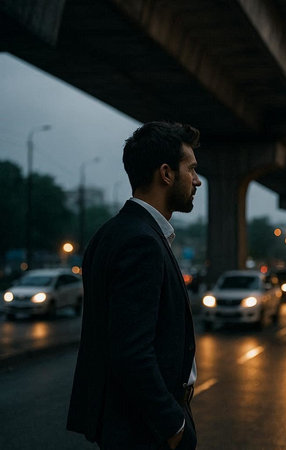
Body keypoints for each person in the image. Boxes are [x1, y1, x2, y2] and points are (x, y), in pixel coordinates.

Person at [67, 121, 202, 449]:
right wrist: (173, 425)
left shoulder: (113, 232)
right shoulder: (141, 242)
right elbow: (131, 351)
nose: (197, 180)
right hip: (144, 430)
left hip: (129, 424)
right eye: (192, 169)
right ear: (166, 174)